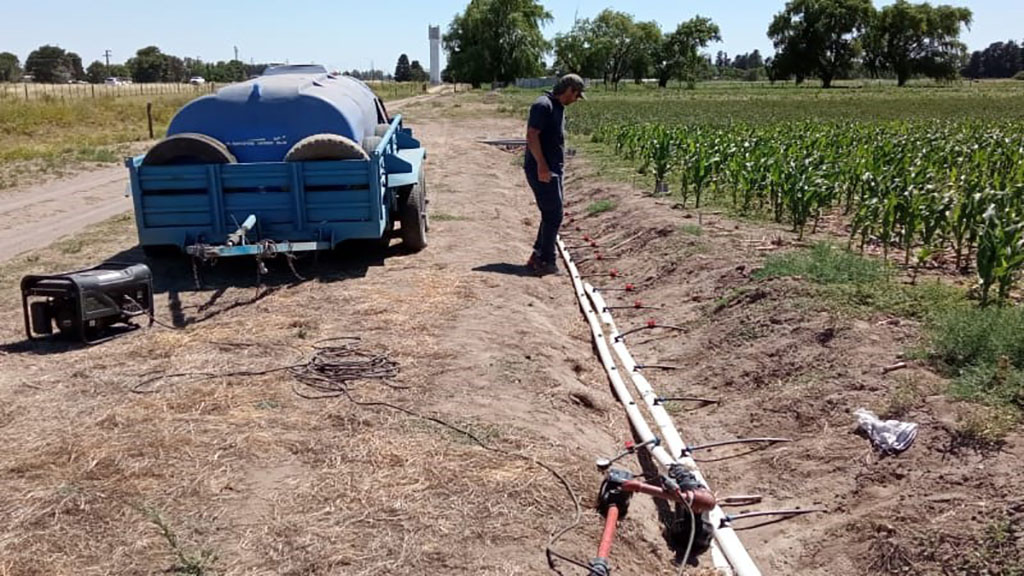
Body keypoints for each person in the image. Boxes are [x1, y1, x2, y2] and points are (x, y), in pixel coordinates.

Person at [524, 74, 585, 276]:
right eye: (577, 95)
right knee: (553, 214)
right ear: (569, 90)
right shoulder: (543, 105)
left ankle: (539, 254)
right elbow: (532, 134)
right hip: (543, 169)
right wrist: (542, 165)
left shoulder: (557, 107)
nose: (576, 100)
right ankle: (545, 260)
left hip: (552, 169)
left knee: (552, 213)